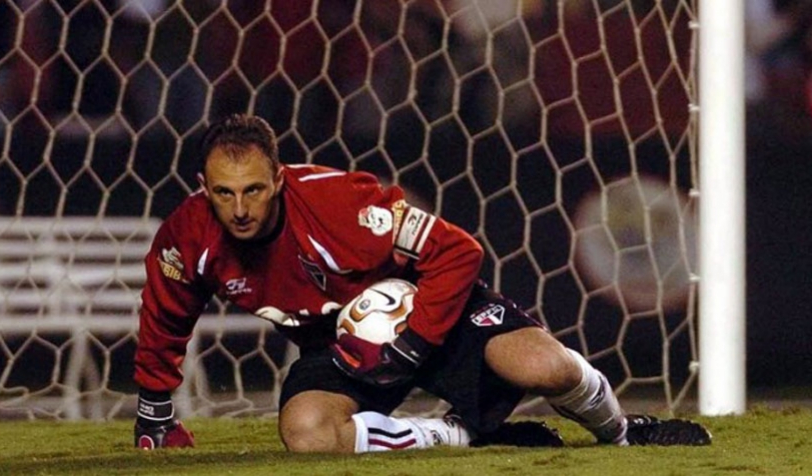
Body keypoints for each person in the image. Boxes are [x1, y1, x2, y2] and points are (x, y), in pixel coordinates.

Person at [132, 114, 710, 451]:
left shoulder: (342, 207)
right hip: (338, 347)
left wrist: (413, 340)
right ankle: (459, 435)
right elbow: (166, 311)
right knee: (306, 435)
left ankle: (624, 431)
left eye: (253, 190)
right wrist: (156, 410)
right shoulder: (190, 235)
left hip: (431, 312)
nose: (239, 209)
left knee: (546, 370)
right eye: (224, 193)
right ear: (203, 186)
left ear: (279, 181)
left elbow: (460, 251)